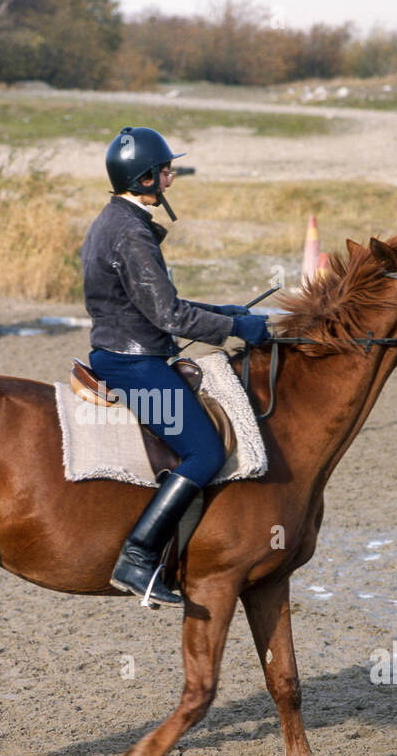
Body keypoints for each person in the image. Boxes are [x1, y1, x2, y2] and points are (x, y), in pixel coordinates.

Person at [83, 126, 271, 607]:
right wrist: (237, 333)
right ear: (144, 178)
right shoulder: (131, 233)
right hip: (132, 363)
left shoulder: (116, 221)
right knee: (206, 453)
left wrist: (227, 313)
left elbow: (161, 302)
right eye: (164, 171)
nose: (170, 177)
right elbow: (167, 316)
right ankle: (138, 556)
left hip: (126, 350)